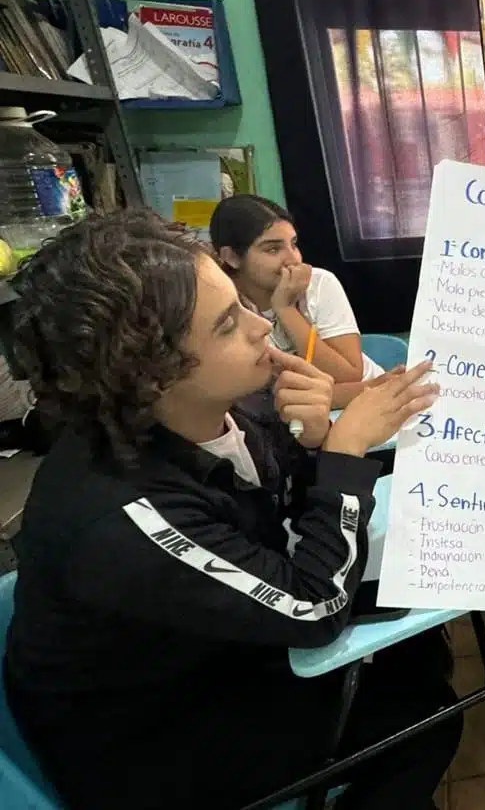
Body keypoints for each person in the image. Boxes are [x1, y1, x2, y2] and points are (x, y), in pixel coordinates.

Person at [3, 210, 458, 810]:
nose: (259, 324)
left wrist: (315, 441)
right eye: (226, 325)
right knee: (426, 720)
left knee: (417, 648)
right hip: (148, 742)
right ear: (148, 375)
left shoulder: (225, 408)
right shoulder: (119, 511)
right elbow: (314, 607)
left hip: (201, 652)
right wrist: (346, 451)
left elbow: (276, 515)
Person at [209, 194, 385, 390]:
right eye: (273, 250)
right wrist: (367, 389)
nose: (293, 259)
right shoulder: (222, 306)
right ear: (232, 257)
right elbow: (267, 403)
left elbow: (348, 375)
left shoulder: (318, 283)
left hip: (369, 398)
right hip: (356, 394)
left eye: (293, 244)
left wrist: (286, 309)